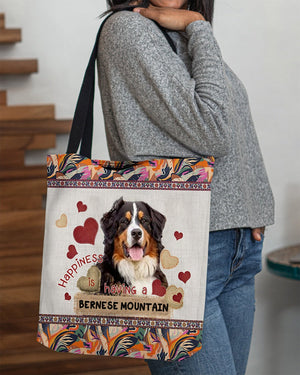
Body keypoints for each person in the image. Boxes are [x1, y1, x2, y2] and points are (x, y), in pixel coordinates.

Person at [97, 1, 275, 374]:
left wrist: (250, 209)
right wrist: (199, 26)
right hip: (181, 253)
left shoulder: (175, 31)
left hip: (235, 250)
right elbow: (213, 128)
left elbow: (233, 121)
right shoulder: (129, 30)